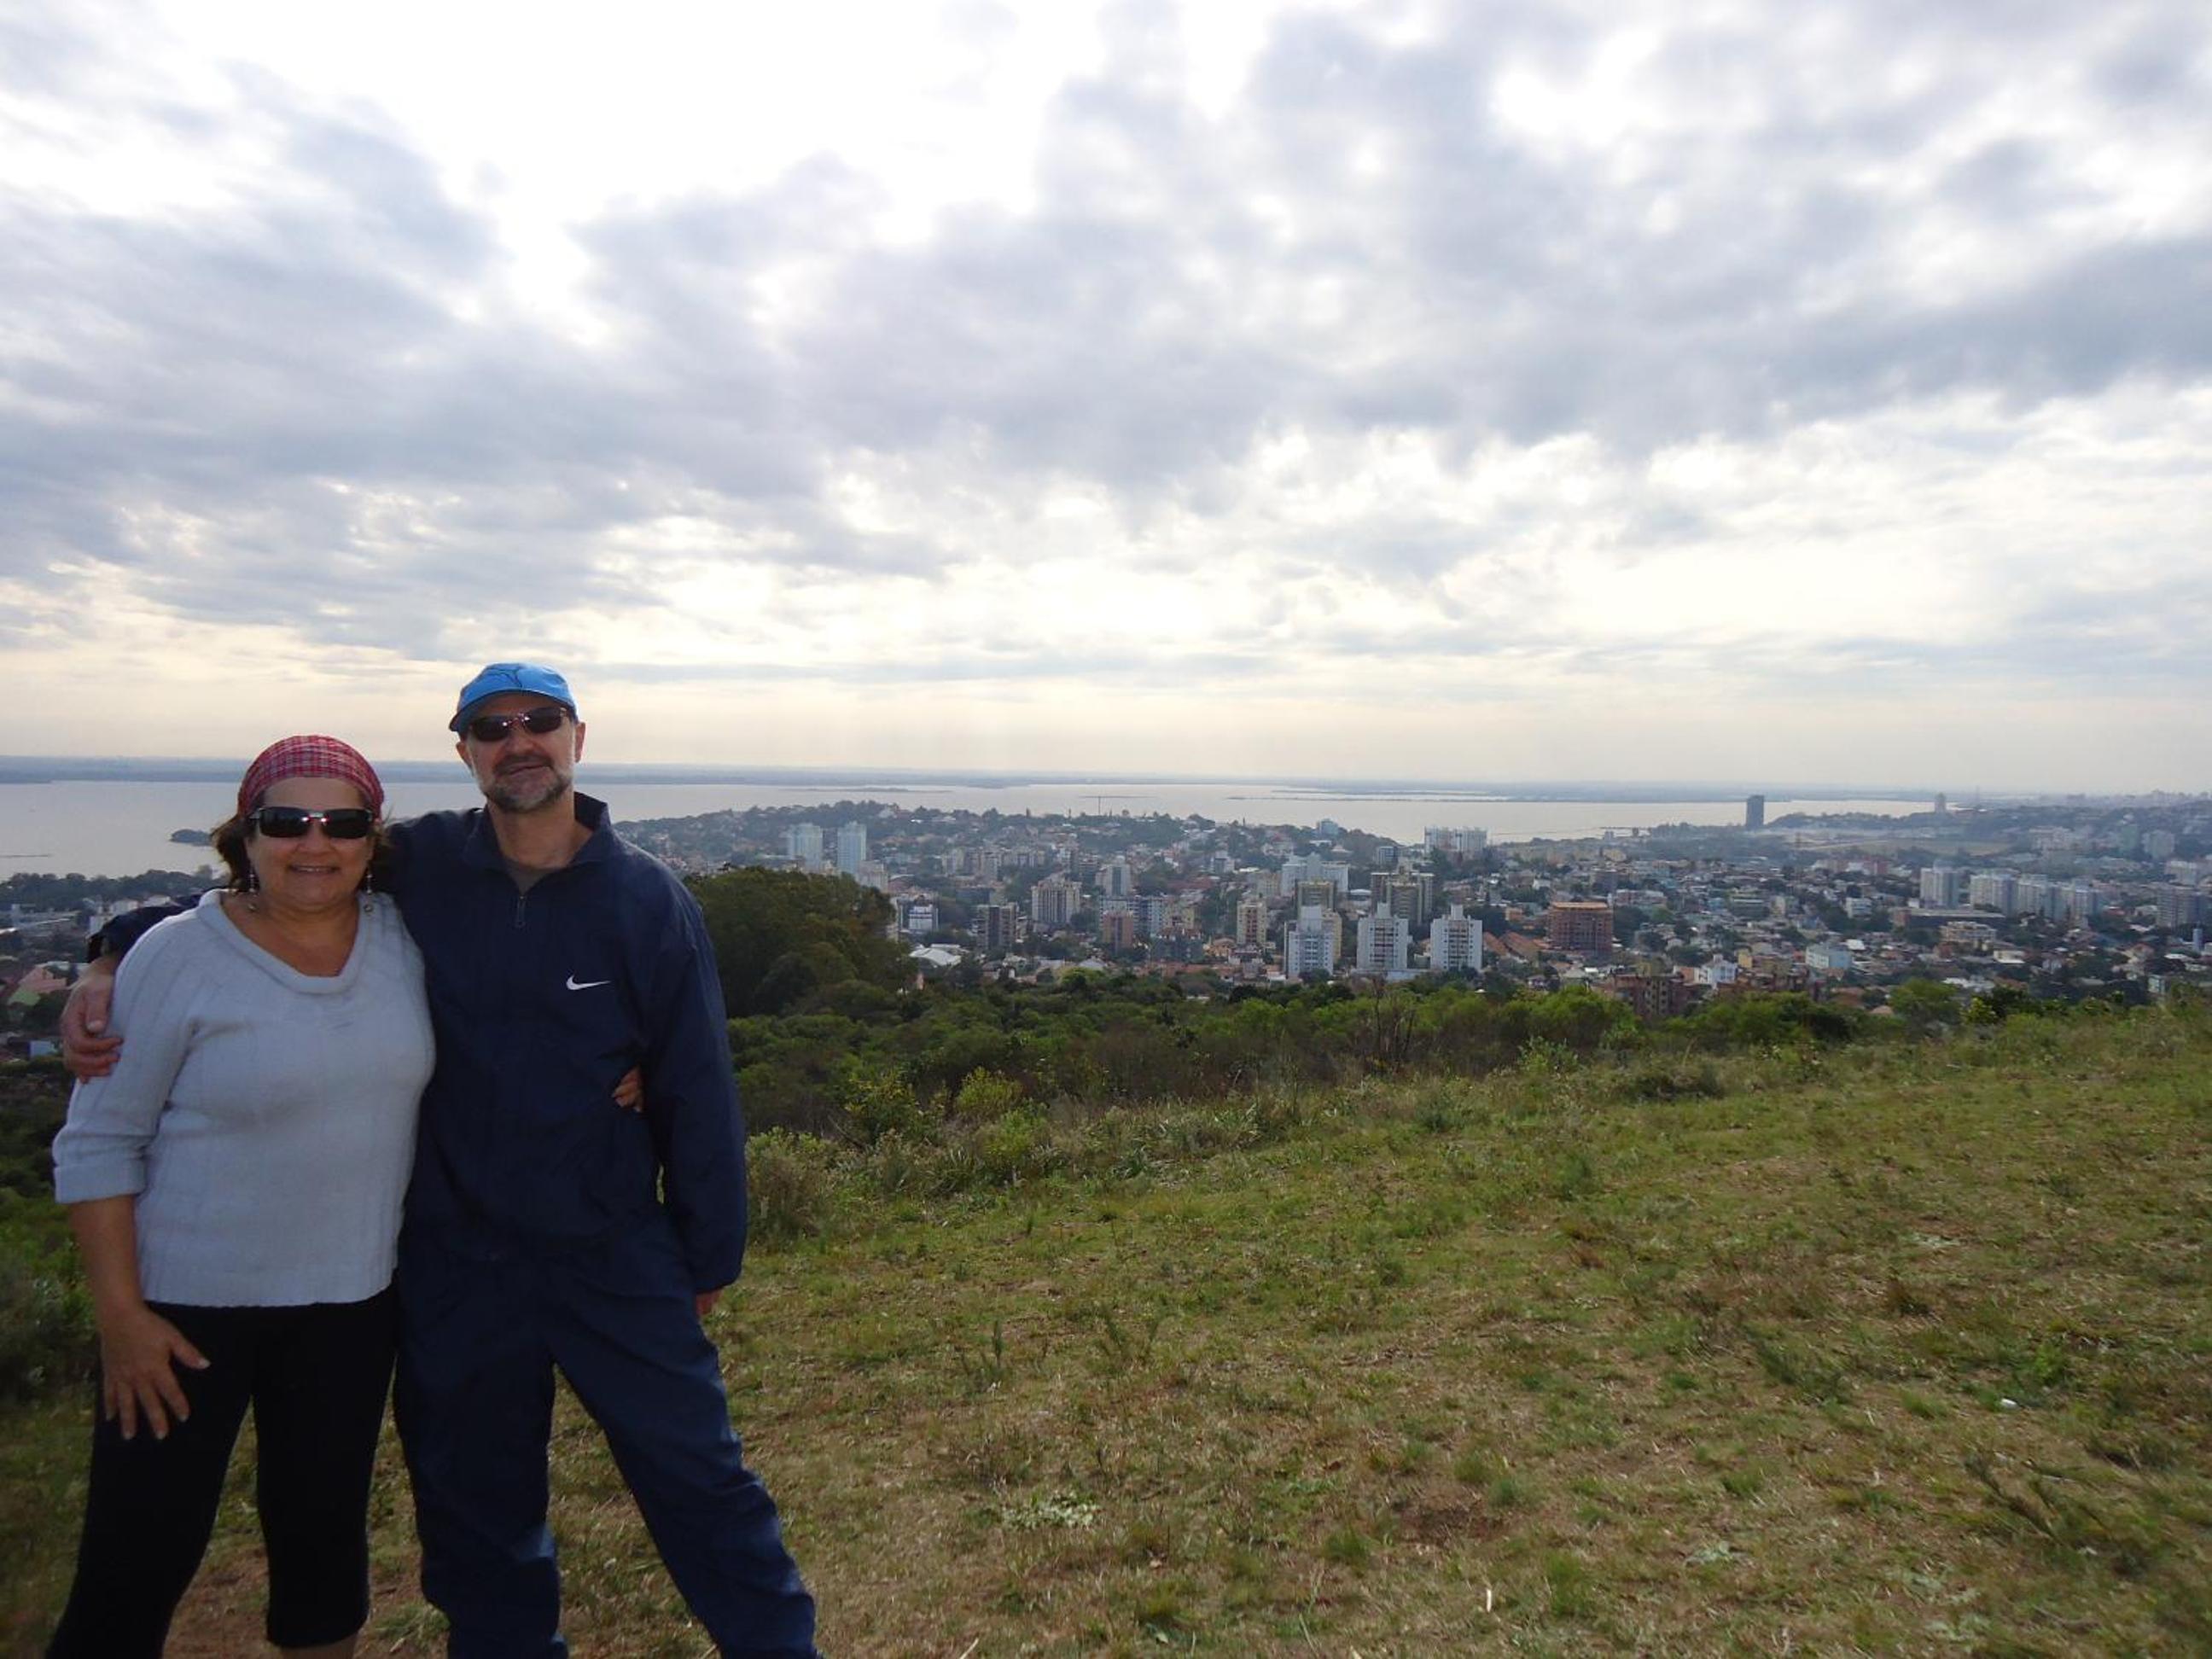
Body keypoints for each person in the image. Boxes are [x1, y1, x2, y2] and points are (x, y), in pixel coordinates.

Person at [67, 664, 817, 1659]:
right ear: (464, 751)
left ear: (577, 738)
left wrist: (709, 1253)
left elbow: (697, 1086)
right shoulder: (420, 866)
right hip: (456, 1262)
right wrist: (112, 950)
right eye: (491, 727)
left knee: (699, 1481)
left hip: (610, 1249)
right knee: (478, 1518)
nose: (518, 741)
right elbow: (270, 888)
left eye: (538, 721)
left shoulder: (646, 900)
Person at [49, 736, 434, 1658]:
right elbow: (99, 1142)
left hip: (351, 1303)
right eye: (286, 821)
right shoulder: (178, 955)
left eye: (343, 823)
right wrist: (121, 1320)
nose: (316, 842)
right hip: (183, 1314)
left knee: (324, 1553)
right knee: (133, 1565)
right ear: (245, 836)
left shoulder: (405, 937)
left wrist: (624, 1068)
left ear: (372, 839)